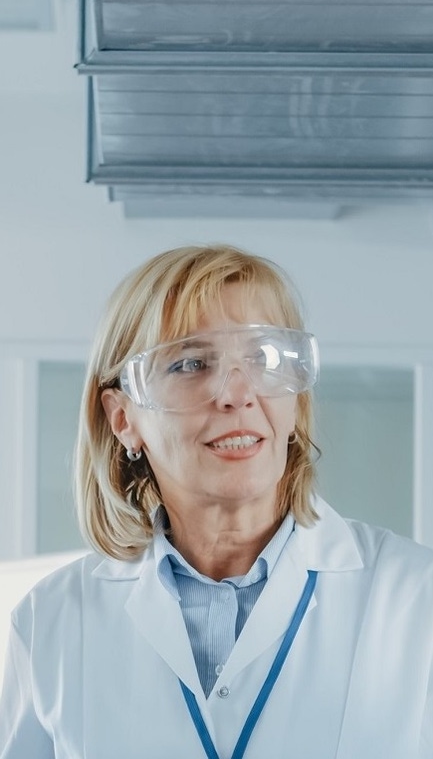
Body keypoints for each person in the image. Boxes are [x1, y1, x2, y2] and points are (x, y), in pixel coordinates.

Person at [0, 243, 432, 759]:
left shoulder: (415, 600)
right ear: (122, 418)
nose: (237, 393)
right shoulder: (52, 620)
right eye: (190, 363)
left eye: (264, 358)